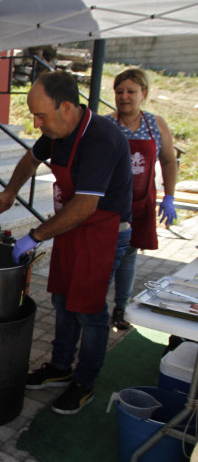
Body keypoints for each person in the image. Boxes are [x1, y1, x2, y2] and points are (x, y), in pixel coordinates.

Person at [0, 71, 132, 415]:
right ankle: (59, 367)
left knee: (90, 310)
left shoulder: (102, 138)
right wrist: (10, 191)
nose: (37, 123)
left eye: (42, 115)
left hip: (104, 230)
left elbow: (86, 205)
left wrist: (33, 236)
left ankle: (84, 383)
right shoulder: (55, 133)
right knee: (62, 298)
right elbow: (30, 159)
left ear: (67, 107)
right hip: (71, 227)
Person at [104, 68, 178, 331]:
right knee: (107, 259)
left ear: (143, 94)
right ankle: (97, 309)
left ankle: (121, 309)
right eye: (119, 91)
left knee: (129, 257)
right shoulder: (106, 124)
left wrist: (169, 196)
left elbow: (169, 161)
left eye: (131, 91)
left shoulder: (155, 124)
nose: (124, 97)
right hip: (111, 207)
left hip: (142, 204)